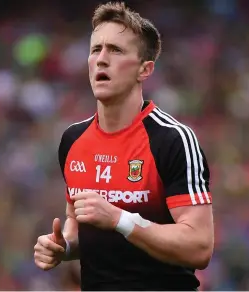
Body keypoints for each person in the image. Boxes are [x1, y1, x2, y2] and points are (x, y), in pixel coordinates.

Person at [34, 2, 214, 290]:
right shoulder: (72, 141)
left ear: (145, 70)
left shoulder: (172, 140)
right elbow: (78, 224)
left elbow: (199, 247)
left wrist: (120, 218)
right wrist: (64, 247)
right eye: (96, 50)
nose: (102, 59)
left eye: (115, 50)